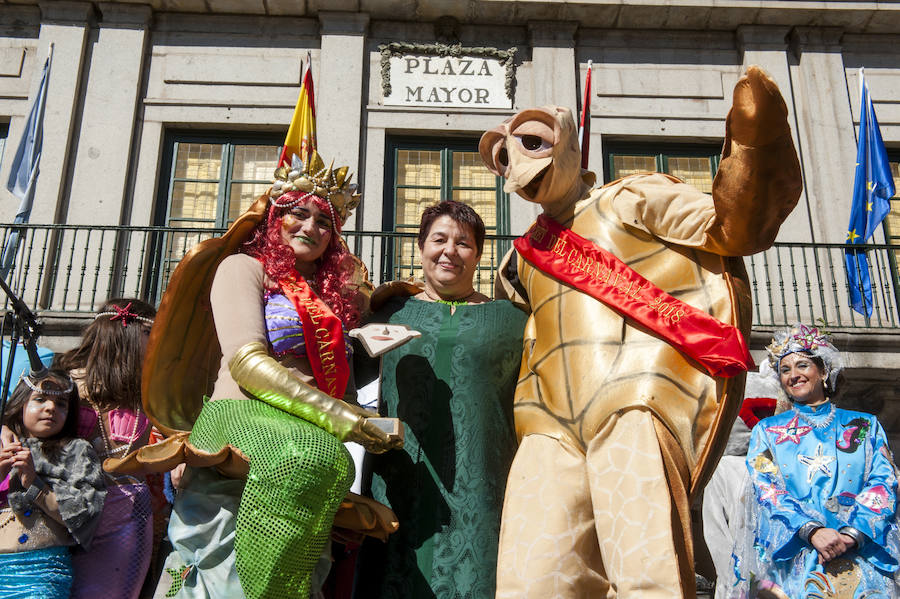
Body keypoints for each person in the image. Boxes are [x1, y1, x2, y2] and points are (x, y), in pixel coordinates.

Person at [479, 66, 802, 598]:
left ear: (567, 141)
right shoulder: (520, 260)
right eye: (504, 154)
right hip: (547, 425)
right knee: (530, 580)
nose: (518, 159)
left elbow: (731, 227)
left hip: (635, 401)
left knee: (645, 570)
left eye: (532, 139)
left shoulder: (628, 197)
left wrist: (754, 145)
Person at [119, 151, 401, 599]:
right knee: (312, 454)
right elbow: (247, 364)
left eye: (323, 222)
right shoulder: (242, 269)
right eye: (298, 214)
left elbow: (340, 385)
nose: (310, 227)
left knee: (332, 463)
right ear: (275, 219)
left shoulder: (332, 303)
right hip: (240, 413)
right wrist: (343, 417)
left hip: (299, 427)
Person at [354, 200, 527, 598]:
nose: (450, 250)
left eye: (463, 243)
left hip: (484, 490)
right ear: (420, 247)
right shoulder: (387, 316)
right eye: (439, 239)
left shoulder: (513, 320)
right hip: (397, 486)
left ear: (479, 255)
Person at [729, 324, 900, 598]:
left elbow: (883, 482)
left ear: (823, 371)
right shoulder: (767, 431)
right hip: (794, 559)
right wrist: (812, 531)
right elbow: (766, 488)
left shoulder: (865, 425)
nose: (793, 375)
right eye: (785, 370)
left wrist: (850, 535)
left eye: (802, 365)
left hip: (860, 555)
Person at [53, 298, 157, 599]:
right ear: (127, 334)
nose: (157, 343)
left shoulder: (151, 392)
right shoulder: (64, 385)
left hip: (125, 516)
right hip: (61, 513)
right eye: (151, 334)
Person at [0, 369, 106, 598]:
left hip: (42, 575)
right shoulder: (2, 446)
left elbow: (85, 515)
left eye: (61, 404)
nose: (50, 408)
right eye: (40, 399)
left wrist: (33, 482)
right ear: (20, 403)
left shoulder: (77, 451)